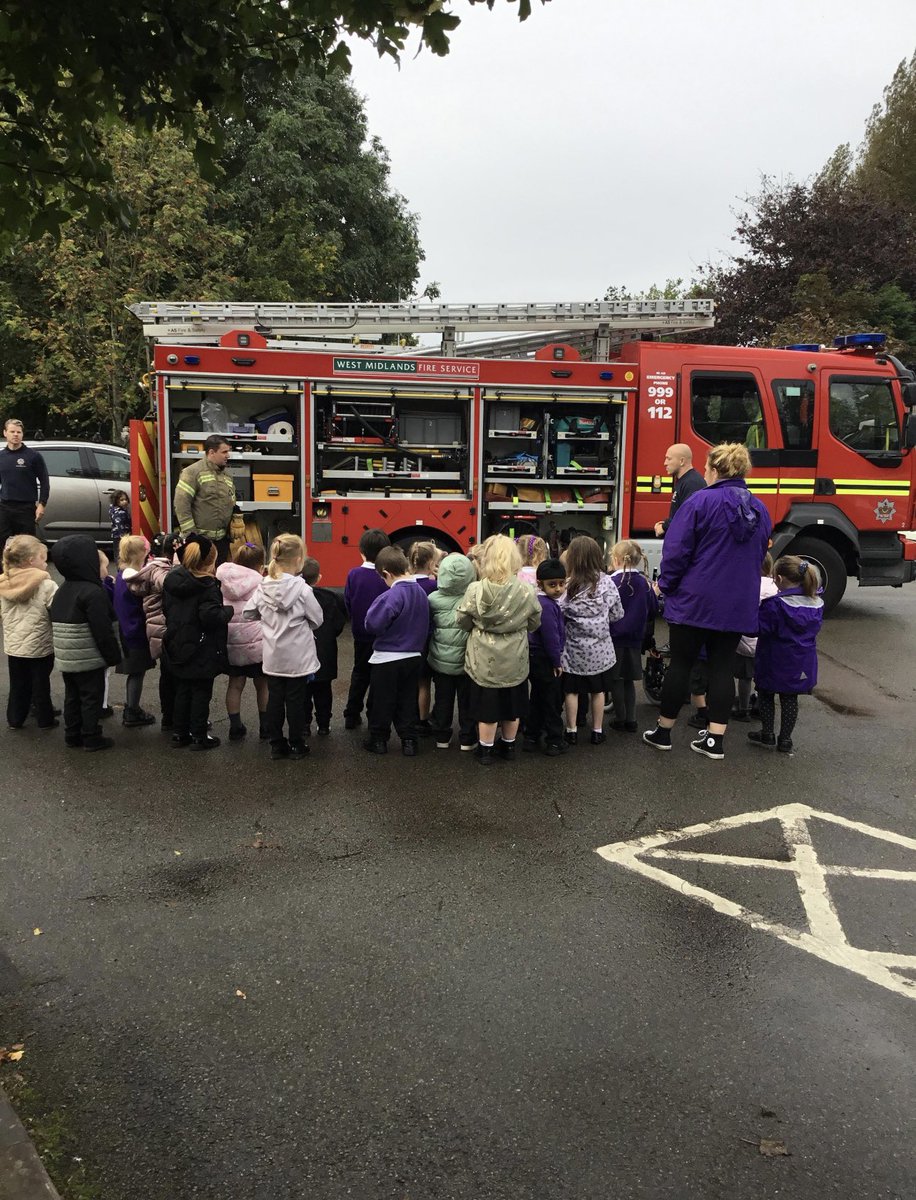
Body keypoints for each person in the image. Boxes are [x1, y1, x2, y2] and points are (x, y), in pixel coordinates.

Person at [643, 442, 772, 761]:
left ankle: (664, 732)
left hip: (695, 601)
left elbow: (677, 551)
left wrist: (665, 586)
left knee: (682, 665)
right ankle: (715, 739)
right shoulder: (759, 509)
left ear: (714, 469)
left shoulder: (700, 502)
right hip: (736, 603)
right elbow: (760, 554)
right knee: (722, 666)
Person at [455, 534, 541, 766]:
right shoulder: (526, 591)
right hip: (515, 659)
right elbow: (535, 622)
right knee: (512, 707)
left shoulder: (475, 589)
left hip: (483, 660)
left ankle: (485, 750)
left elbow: (462, 620)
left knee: (487, 708)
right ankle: (509, 745)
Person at [243, 534, 323, 761]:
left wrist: (266, 617)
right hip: (298, 657)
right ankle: (297, 744)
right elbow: (317, 619)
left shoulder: (263, 587)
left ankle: (276, 744)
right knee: (296, 702)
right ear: (299, 559)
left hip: (273, 656)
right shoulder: (303, 590)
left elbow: (248, 612)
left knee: (275, 700)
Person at [49, 534, 122, 752]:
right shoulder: (93, 592)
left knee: (72, 696)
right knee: (91, 697)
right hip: (88, 657)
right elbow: (102, 630)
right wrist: (113, 655)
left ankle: (72, 734)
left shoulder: (63, 589)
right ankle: (91, 736)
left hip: (67, 657)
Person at [162, 533, 232, 751]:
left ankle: (179, 733)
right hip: (201, 649)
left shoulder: (172, 581)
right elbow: (210, 617)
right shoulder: (208, 587)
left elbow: (167, 610)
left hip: (177, 644)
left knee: (183, 689)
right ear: (210, 562)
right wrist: (227, 612)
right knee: (201, 692)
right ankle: (199, 736)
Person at [749, 555, 824, 756]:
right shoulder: (816, 603)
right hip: (801, 660)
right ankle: (785, 739)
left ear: (780, 579)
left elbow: (758, 629)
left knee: (766, 695)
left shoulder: (775, 605)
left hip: (773, 658)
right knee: (790, 699)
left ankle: (767, 733)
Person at [362, 545, 430, 757]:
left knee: (381, 701)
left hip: (387, 658)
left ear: (386, 574)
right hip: (413, 656)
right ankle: (409, 741)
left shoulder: (392, 595)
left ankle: (378, 740)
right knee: (407, 700)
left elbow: (373, 624)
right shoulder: (420, 592)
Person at [558, 536, 624, 746]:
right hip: (600, 651)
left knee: (572, 691)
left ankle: (571, 731)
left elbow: (558, 613)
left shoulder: (567, 586)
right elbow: (617, 614)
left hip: (573, 650)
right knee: (598, 691)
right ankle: (597, 730)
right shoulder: (607, 583)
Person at [0, 534, 58, 730]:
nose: (46, 562)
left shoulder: (4, 582)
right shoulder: (46, 585)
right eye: (43, 558)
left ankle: (15, 718)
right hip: (40, 644)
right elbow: (56, 609)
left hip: (14, 645)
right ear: (31, 560)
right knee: (41, 683)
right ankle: (45, 718)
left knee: (18, 683)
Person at [129, 531, 184, 730]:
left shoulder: (151, 566)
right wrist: (179, 564)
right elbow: (172, 584)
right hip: (163, 627)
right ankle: (172, 717)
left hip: (157, 626)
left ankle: (169, 716)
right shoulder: (161, 568)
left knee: (168, 674)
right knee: (173, 676)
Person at [216, 542, 269, 742]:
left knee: (235, 685)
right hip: (257, 644)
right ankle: (265, 727)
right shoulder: (262, 583)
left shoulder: (221, 580)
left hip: (232, 642)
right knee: (263, 685)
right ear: (259, 565)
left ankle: (235, 727)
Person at [427, 552, 478, 751]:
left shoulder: (432, 599)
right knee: (467, 702)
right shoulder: (473, 598)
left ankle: (441, 737)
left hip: (440, 661)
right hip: (466, 661)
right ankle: (467, 738)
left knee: (442, 700)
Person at [608, 540, 658, 734]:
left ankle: (620, 718)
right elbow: (653, 609)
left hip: (615, 639)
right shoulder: (644, 583)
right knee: (629, 680)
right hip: (635, 639)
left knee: (616, 680)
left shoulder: (612, 582)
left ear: (616, 559)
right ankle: (632, 719)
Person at [343, 528, 390, 729]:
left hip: (361, 634)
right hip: (384, 635)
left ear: (361, 551)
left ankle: (351, 714)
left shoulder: (354, 574)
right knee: (379, 678)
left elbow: (347, 601)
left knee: (360, 673)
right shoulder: (387, 577)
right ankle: (374, 716)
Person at [523, 557, 567, 756]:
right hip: (546, 658)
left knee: (537, 698)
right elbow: (551, 636)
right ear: (540, 584)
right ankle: (555, 740)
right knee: (551, 700)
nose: (558, 589)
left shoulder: (537, 600)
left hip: (533, 656)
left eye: (561, 583)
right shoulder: (547, 606)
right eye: (552, 585)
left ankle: (531, 736)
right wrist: (556, 661)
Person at [113, 535, 157, 728]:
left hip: (126, 630)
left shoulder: (121, 575)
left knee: (135, 672)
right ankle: (132, 710)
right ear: (141, 555)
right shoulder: (134, 579)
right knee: (137, 673)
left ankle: (132, 707)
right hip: (135, 633)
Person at [173, 434, 236, 564]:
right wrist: (191, 535)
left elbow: (230, 502)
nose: (228, 456)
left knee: (217, 580)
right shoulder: (192, 472)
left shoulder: (227, 476)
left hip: (221, 543)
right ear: (211, 452)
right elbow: (181, 504)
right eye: (224, 452)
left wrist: (236, 515)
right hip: (200, 542)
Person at [301, 556, 346, 737]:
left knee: (304, 691)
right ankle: (324, 723)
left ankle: (304, 725)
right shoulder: (330, 598)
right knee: (324, 691)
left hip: (303, 652)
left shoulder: (297, 598)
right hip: (325, 652)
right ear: (318, 577)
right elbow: (338, 624)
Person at [732, 553, 777, 721]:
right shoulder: (775, 586)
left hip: (746, 640)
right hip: (767, 641)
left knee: (745, 677)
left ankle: (742, 709)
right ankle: (760, 704)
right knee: (762, 676)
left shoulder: (748, 585)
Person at [0, 419, 50, 553]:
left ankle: (25, 573)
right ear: (5, 433)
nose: (15, 434)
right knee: (3, 546)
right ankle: (5, 573)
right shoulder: (1, 456)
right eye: (12, 431)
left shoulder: (33, 456)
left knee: (26, 547)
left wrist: (42, 504)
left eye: (19, 432)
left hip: (26, 509)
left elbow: (44, 481)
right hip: (4, 507)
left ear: (22, 434)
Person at [653, 443, 705, 538]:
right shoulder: (685, 481)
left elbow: (687, 517)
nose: (665, 463)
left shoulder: (692, 483)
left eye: (669, 459)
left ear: (681, 461)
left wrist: (664, 527)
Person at [109, 489, 131, 564]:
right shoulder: (118, 512)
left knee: (120, 553)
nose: (125, 501)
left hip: (119, 536)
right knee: (120, 554)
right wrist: (124, 536)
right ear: (116, 501)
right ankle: (120, 570)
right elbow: (119, 525)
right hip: (120, 536)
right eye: (122, 500)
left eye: (126, 499)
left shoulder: (121, 510)